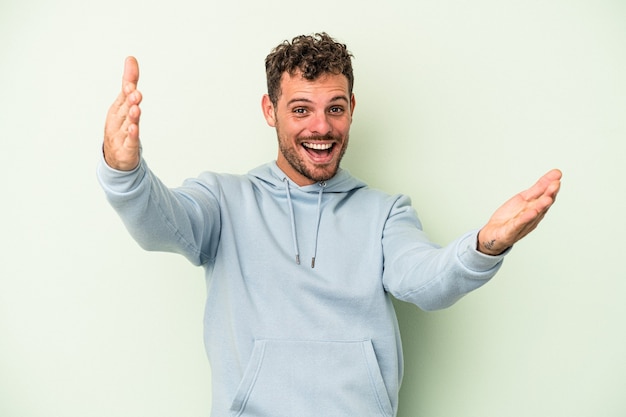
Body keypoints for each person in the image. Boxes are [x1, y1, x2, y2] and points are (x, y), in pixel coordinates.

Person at [98, 33, 561, 417]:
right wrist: (125, 173)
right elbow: (160, 225)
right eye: (301, 109)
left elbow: (425, 281)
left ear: (352, 108)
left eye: (335, 109)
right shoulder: (225, 199)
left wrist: (484, 245)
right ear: (269, 110)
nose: (321, 127)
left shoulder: (385, 211)